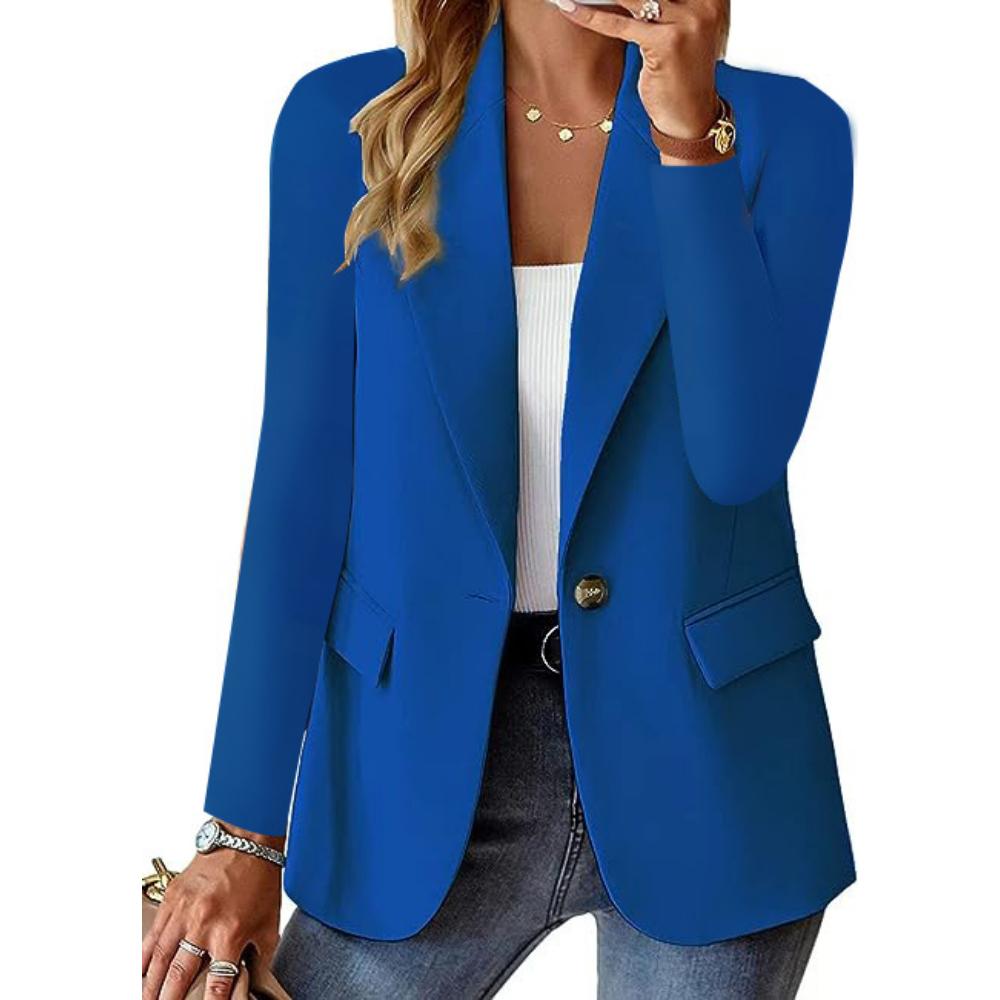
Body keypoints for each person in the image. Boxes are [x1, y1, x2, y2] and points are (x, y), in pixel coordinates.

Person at [141, 0, 855, 996]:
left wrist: (691, 141)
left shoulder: (787, 130)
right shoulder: (351, 121)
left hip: (709, 767)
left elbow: (736, 457)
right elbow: (301, 481)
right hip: (417, 769)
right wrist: (243, 830)